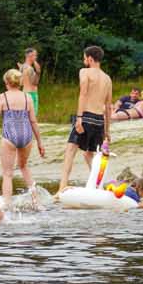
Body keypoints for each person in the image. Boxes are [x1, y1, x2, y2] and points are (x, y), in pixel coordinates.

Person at [0, 67, 45, 201]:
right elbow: (33, 121)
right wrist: (40, 143)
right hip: (27, 135)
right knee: (24, 167)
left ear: (6, 82)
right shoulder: (27, 97)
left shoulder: (2, 97)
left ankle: (7, 205)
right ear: (19, 82)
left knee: (7, 173)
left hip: (9, 136)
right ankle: (36, 200)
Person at [57, 45, 114, 191]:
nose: (83, 61)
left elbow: (82, 93)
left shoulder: (84, 72)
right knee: (89, 155)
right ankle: (98, 186)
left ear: (89, 58)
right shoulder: (107, 78)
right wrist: (107, 130)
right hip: (99, 121)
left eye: (84, 58)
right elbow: (108, 106)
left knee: (70, 151)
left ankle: (62, 187)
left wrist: (79, 118)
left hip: (86, 116)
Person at [21, 47, 42, 118]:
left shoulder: (22, 67)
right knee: (32, 117)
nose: (36, 57)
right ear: (30, 56)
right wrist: (38, 72)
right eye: (35, 55)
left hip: (24, 92)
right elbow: (35, 82)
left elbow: (21, 83)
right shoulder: (30, 69)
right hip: (32, 94)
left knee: (26, 116)